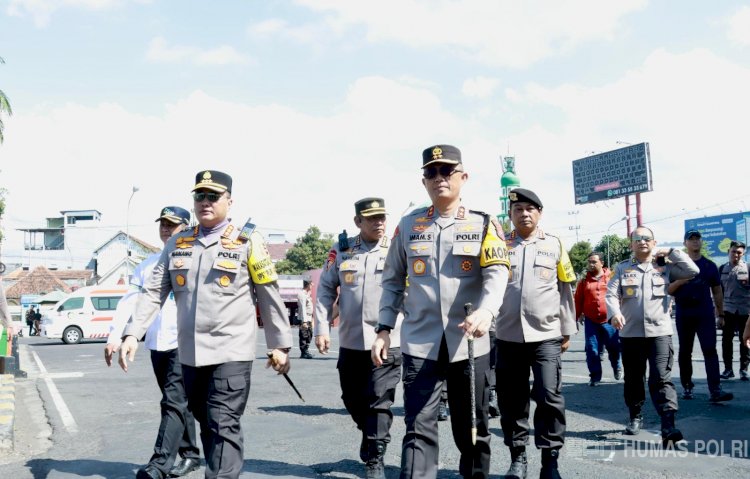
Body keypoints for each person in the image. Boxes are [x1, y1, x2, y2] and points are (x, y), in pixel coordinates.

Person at [118, 170, 293, 479]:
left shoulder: (248, 241)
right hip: (190, 354)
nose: (205, 202)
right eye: (200, 196)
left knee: (222, 422)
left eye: (213, 196)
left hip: (231, 353)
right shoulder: (179, 242)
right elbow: (154, 290)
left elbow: (268, 294)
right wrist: (132, 333)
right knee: (205, 420)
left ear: (229, 201)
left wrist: (278, 345)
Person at [372, 144, 510, 479]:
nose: (439, 178)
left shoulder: (485, 223)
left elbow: (497, 273)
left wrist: (487, 311)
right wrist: (384, 328)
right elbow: (391, 281)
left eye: (446, 171)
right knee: (418, 428)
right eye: (431, 173)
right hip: (421, 341)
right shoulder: (408, 226)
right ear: (424, 182)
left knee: (471, 429)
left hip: (469, 341)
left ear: (463, 177)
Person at [105, 206, 201, 479]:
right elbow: (130, 301)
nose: (166, 229)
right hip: (157, 344)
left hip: (184, 342)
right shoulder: (148, 266)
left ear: (186, 226)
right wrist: (116, 335)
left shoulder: (195, 259)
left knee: (172, 402)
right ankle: (191, 455)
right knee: (178, 403)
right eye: (162, 224)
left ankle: (158, 465)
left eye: (172, 224)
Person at [315, 197, 402, 479]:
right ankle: (370, 432)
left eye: (382, 217)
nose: (379, 223)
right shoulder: (341, 251)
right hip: (352, 341)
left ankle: (375, 458)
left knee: (379, 400)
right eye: (372, 218)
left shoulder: (397, 249)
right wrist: (321, 327)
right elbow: (326, 290)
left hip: (388, 340)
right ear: (358, 222)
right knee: (352, 398)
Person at [495, 187, 577, 479]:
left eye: (530, 209)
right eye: (518, 209)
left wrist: (567, 329)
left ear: (539, 213)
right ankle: (518, 458)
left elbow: (566, 289)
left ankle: (550, 461)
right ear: (511, 215)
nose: (524, 213)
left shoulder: (554, 244)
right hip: (507, 336)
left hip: (546, 335)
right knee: (510, 400)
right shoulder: (499, 245)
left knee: (549, 397)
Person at [606, 226, 699, 447]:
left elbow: (692, 271)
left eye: (647, 239)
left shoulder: (665, 268)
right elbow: (611, 293)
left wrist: (670, 252)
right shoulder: (621, 269)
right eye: (637, 239)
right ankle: (635, 416)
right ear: (631, 245)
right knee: (634, 379)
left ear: (654, 242)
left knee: (661, 378)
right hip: (630, 334)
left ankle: (668, 424)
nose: (642, 242)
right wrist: (615, 313)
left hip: (659, 333)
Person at [668, 230, 732, 401]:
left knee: (710, 349)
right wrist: (680, 281)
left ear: (702, 242)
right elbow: (668, 289)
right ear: (685, 244)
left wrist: (721, 314)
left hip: (704, 313)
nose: (695, 242)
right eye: (691, 239)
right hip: (684, 313)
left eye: (698, 239)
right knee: (685, 351)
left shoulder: (709, 266)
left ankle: (715, 390)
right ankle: (687, 386)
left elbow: (717, 291)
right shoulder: (676, 266)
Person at [574, 251, 621, 387]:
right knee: (592, 349)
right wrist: (575, 319)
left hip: (610, 320)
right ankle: (595, 377)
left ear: (602, 263)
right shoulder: (583, 281)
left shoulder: (612, 276)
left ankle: (617, 366)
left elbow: (620, 296)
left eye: (594, 261)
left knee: (613, 347)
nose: (591, 264)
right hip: (591, 321)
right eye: (589, 262)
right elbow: (578, 301)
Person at [718, 240, 750, 381]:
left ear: (743, 254)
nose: (735, 255)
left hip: (745, 310)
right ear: (728, 252)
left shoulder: (748, 268)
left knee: (745, 340)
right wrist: (719, 313)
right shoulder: (721, 269)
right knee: (726, 341)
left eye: (739, 252)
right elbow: (718, 292)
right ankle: (728, 369)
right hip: (728, 311)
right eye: (733, 251)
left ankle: (744, 369)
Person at [298, 280, 314, 359]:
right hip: (304, 318)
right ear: (308, 285)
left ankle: (306, 350)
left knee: (309, 335)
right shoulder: (302, 294)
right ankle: (304, 352)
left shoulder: (307, 294)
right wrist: (304, 321)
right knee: (304, 335)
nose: (313, 285)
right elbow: (303, 308)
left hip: (309, 318)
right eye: (311, 284)